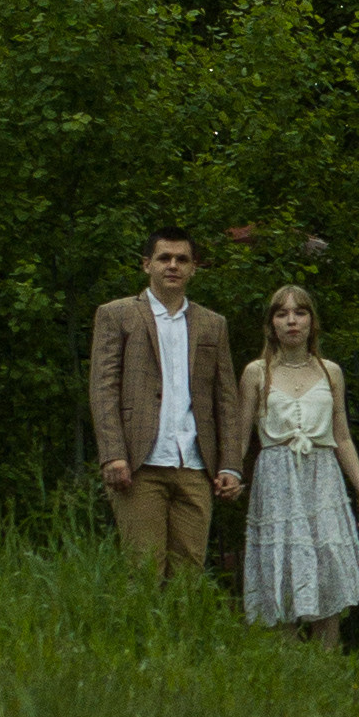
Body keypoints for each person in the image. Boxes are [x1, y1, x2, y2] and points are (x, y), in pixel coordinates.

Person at [89, 228, 244, 578]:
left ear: (194, 268)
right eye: (164, 258)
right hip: (140, 463)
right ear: (147, 265)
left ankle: (183, 635)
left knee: (188, 575)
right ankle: (142, 635)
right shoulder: (117, 315)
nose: (172, 265)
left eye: (182, 259)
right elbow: (103, 389)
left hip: (194, 464)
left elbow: (226, 399)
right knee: (144, 572)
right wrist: (113, 453)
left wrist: (230, 465)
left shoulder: (212, 324)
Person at [237, 282, 359, 648]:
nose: (291, 321)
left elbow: (342, 436)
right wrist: (232, 473)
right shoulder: (257, 372)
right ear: (271, 324)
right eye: (282, 314)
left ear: (312, 321)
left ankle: (325, 661)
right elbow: (241, 436)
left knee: (328, 563)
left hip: (322, 476)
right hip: (276, 476)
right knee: (281, 563)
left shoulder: (330, 371)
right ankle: (289, 665)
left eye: (299, 312)